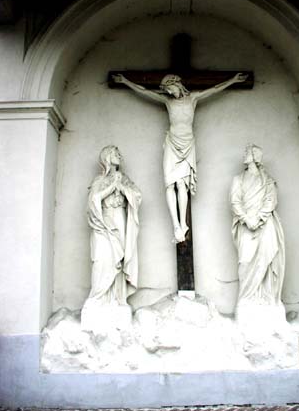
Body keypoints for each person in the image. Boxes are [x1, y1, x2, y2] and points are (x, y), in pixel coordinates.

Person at [113, 72, 247, 243]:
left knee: (182, 184)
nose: (170, 93)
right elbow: (145, 91)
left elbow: (215, 88)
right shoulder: (168, 102)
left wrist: (233, 80)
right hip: (172, 143)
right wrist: (125, 81)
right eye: (167, 91)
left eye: (170, 89)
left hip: (187, 144)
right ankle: (176, 225)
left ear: (177, 84)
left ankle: (183, 223)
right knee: (170, 184)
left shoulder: (193, 98)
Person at [84, 145, 142, 308]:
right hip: (104, 222)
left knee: (119, 260)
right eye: (115, 153)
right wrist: (112, 187)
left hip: (120, 219)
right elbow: (94, 200)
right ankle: (98, 298)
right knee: (103, 259)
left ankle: (117, 299)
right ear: (107, 157)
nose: (119, 156)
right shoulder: (99, 180)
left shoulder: (124, 179)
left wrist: (122, 187)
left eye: (119, 153)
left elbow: (137, 196)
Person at [230, 143, 285, 306]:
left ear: (255, 156)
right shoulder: (238, 180)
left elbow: (271, 199)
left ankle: (266, 297)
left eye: (247, 152)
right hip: (246, 224)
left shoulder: (267, 180)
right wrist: (247, 219)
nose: (244, 154)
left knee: (266, 258)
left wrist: (260, 217)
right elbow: (235, 201)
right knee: (246, 261)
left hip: (265, 223)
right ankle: (247, 298)